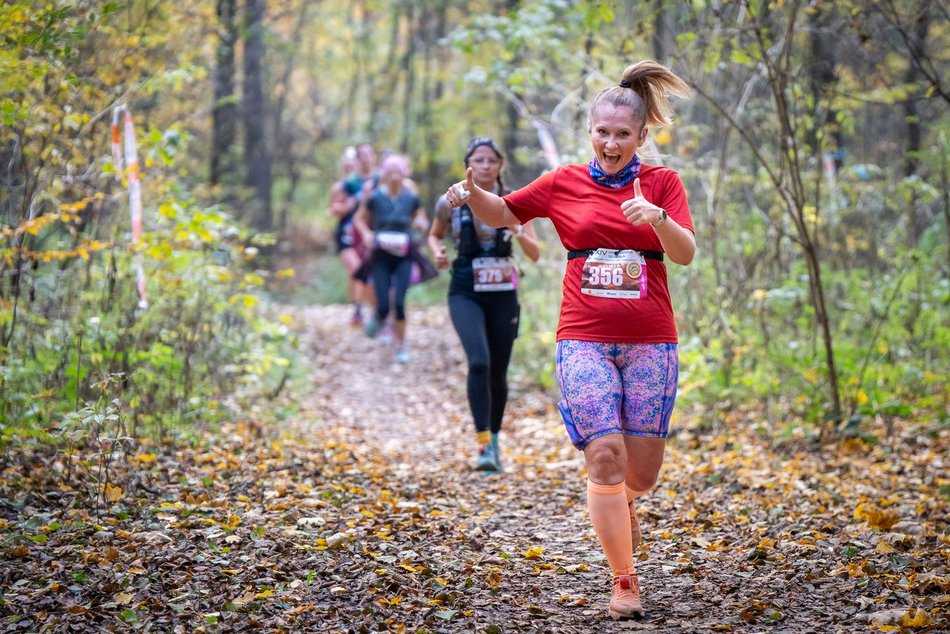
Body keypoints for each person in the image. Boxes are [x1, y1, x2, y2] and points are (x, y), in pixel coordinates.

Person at [443, 60, 694, 620]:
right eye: (601, 132)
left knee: (642, 473)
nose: (610, 143)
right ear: (590, 132)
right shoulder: (564, 181)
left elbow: (685, 253)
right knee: (604, 454)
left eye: (622, 134)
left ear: (641, 137)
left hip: (651, 339)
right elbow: (506, 212)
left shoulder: (662, 184)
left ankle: (627, 503)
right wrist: (474, 192)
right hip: (582, 335)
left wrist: (655, 218)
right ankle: (624, 580)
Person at [429, 137, 540, 474]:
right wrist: (437, 251)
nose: (486, 166)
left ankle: (493, 440)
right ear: (469, 164)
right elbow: (434, 234)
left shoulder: (518, 201)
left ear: (500, 164)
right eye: (479, 160)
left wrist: (517, 230)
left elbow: (535, 254)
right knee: (479, 362)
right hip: (465, 289)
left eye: (492, 160)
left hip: (504, 293)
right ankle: (482, 447)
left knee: (498, 371)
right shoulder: (450, 201)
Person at [354, 153, 427, 364]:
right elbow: (359, 219)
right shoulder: (375, 197)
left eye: (399, 172)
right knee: (384, 303)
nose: (395, 177)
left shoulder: (410, 197)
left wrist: (421, 224)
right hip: (380, 256)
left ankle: (401, 345)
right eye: (391, 173)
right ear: (384, 174)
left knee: (400, 301)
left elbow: (419, 217)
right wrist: (367, 234)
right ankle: (378, 317)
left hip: (403, 255)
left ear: (404, 174)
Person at [327, 147, 369, 326]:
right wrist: (348, 205)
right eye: (347, 165)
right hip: (346, 234)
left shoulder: (369, 182)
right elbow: (332, 210)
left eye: (352, 164)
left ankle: (360, 307)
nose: (349, 168)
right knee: (356, 269)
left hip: (364, 234)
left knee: (358, 273)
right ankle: (358, 310)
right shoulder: (342, 186)